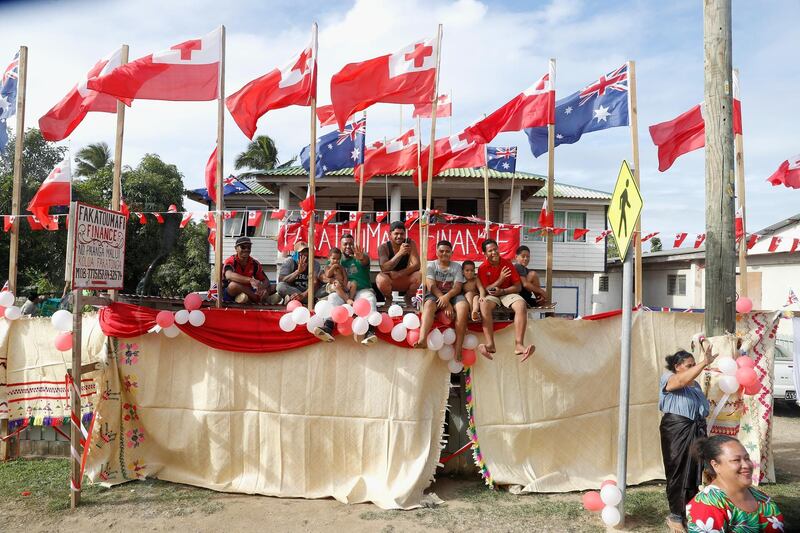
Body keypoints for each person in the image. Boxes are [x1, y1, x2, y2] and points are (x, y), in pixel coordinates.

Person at [659, 348, 716, 531]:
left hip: (696, 431)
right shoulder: (668, 377)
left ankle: (689, 511)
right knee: (677, 472)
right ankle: (675, 516)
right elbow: (680, 381)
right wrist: (703, 363)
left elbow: (703, 409)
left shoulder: (696, 386)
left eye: (695, 365)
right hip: (676, 430)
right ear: (677, 367)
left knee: (693, 474)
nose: (695, 369)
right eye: (689, 365)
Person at [687, 435, 784, 533]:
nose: (746, 465)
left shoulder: (762, 498)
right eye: (736, 460)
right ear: (716, 465)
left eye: (747, 458)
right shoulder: (706, 506)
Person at [476, 239, 535, 361]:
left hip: (507, 292)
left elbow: (518, 287)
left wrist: (503, 291)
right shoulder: (482, 268)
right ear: (485, 254)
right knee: (484, 304)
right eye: (490, 250)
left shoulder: (507, 263)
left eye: (495, 249)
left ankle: (519, 345)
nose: (494, 252)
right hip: (492, 295)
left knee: (521, 304)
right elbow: (487, 289)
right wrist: (501, 279)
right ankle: (490, 345)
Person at [314, 234, 377, 344]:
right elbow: (323, 275)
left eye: (350, 244)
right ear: (341, 246)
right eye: (345, 244)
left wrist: (361, 257)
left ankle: (370, 331)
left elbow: (365, 260)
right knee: (333, 297)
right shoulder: (336, 258)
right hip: (342, 290)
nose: (348, 246)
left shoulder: (360, 256)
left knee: (369, 298)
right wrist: (332, 281)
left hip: (361, 290)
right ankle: (328, 327)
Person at [417, 240, 469, 358]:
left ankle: (458, 347)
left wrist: (447, 298)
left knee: (463, 307)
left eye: (447, 251)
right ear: (436, 252)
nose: (444, 253)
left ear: (452, 253)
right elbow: (431, 285)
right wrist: (443, 300)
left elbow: (457, 287)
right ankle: (423, 339)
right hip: (435, 295)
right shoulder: (431, 265)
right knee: (429, 304)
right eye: (441, 251)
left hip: (452, 295)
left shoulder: (456, 266)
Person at [376, 221, 422, 307]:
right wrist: (400, 253)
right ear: (390, 234)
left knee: (419, 276)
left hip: (404, 278)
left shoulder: (410, 243)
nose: (399, 236)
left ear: (405, 234)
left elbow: (417, 265)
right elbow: (384, 268)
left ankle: (408, 298)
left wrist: (399, 274)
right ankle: (389, 298)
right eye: (396, 233)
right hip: (390, 280)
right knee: (380, 279)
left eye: (402, 234)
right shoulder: (383, 247)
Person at [223, 237, 279, 304]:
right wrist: (250, 280)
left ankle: (250, 298)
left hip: (249, 291)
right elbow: (229, 275)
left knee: (276, 286)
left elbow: (265, 280)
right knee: (233, 285)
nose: (246, 249)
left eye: (249, 247)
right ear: (236, 249)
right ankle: (259, 300)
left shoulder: (254, 263)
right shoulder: (231, 260)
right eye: (243, 247)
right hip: (231, 292)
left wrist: (263, 289)